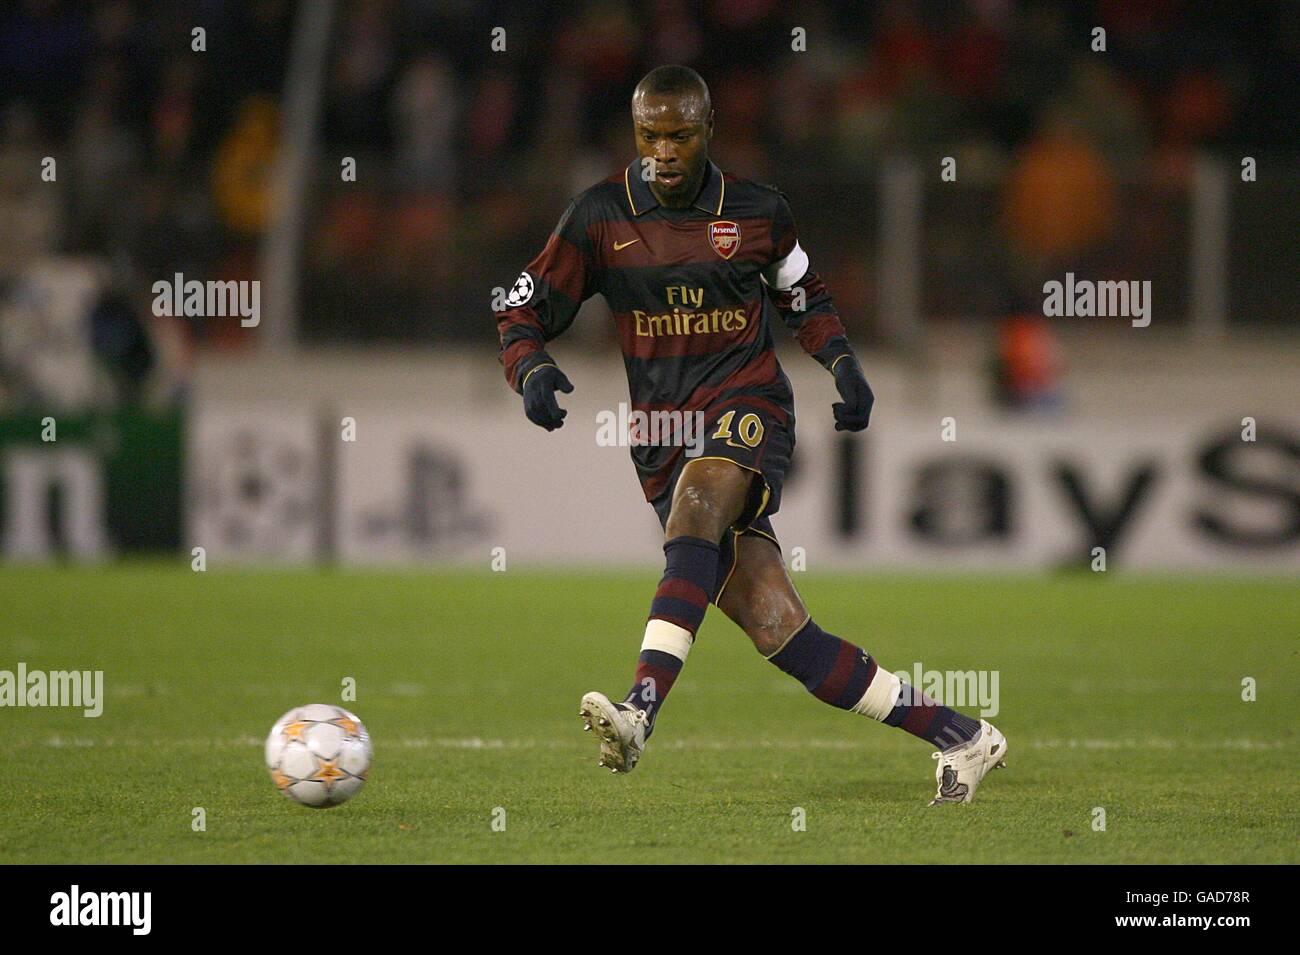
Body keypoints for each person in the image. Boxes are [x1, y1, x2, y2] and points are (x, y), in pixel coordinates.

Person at [495, 66, 1007, 804]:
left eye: (678, 134)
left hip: (749, 406)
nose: (663, 151)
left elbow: (804, 295)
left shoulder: (758, 211)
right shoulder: (601, 216)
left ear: (708, 132)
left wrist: (843, 362)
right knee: (783, 633)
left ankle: (640, 709)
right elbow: (520, 309)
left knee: (700, 504)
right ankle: (963, 734)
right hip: (662, 438)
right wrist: (531, 367)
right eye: (649, 135)